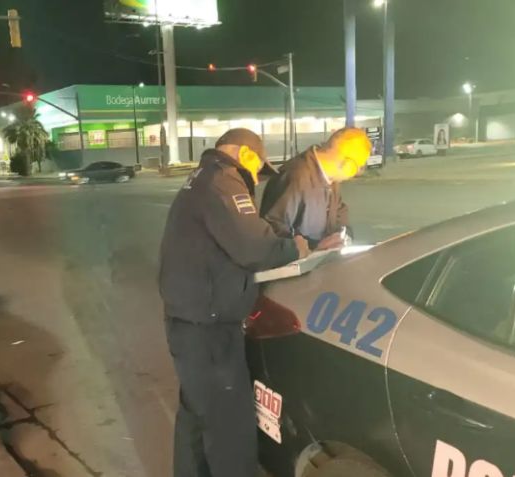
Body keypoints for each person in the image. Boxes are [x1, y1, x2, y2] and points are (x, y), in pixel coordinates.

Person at [159, 128, 309, 477]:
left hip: (190, 323)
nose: (256, 178)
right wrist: (296, 247)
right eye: (258, 169)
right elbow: (254, 247)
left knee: (197, 417)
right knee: (230, 427)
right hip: (209, 330)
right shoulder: (223, 182)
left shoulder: (202, 178)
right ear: (246, 155)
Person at [260, 127, 371, 251]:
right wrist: (313, 246)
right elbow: (273, 228)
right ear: (347, 165)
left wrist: (344, 235)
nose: (353, 175)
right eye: (358, 169)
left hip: (319, 260)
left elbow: (339, 210)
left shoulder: (330, 177)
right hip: (297, 266)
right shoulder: (296, 177)